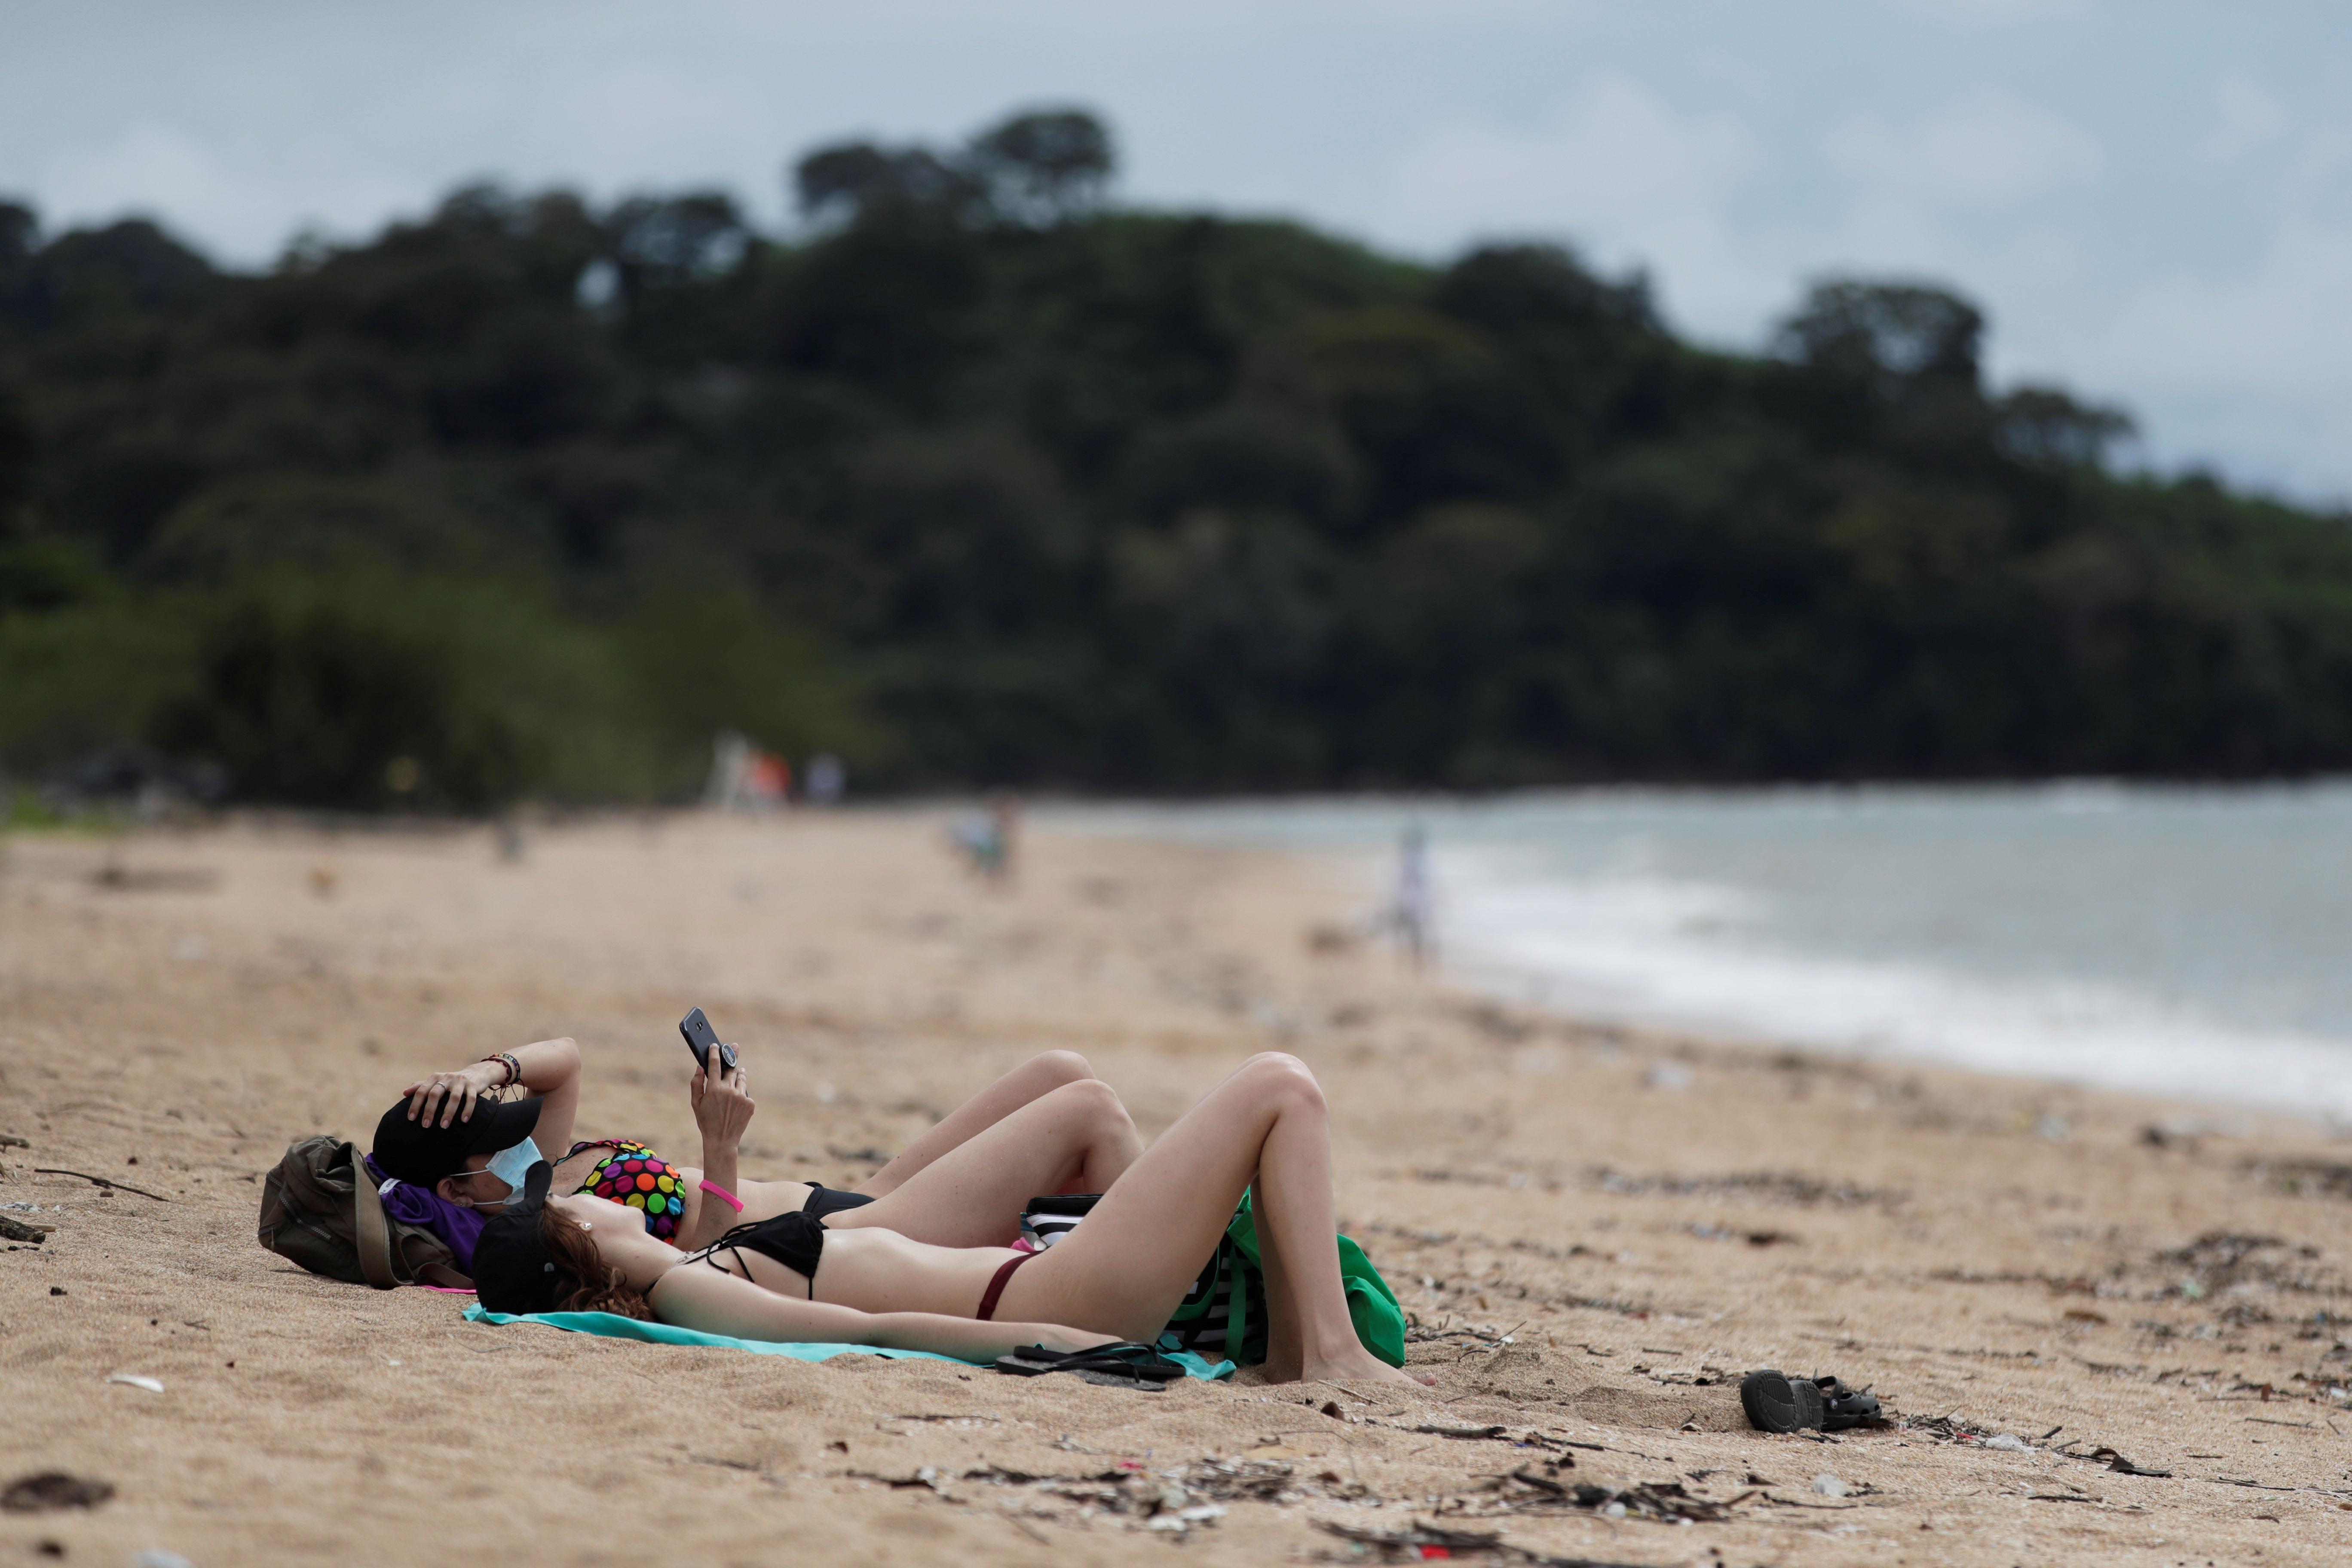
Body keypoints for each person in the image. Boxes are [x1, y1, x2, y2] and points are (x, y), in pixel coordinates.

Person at [473, 1052, 1429, 1389]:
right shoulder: (686, 1285)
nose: (586, 1192)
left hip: (1044, 1276)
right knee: (1282, 1089)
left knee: (1263, 1099)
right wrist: (1052, 1343)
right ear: (580, 1239)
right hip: (1053, 1293)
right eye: (565, 1203)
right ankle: (1332, 1359)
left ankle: (1304, 1348)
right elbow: (868, 1331)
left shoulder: (699, 1273)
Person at [366, 1041, 1142, 1275]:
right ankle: (1157, 1286)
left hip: (842, 1197)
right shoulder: (535, 1224)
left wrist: (482, 1072)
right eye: (492, 1142)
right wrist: (718, 1146)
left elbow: (564, 1060)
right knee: (1090, 1114)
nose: (515, 1142)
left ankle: (1135, 1258)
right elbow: (703, 1260)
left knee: (1063, 1071)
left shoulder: (540, 1165)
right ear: (457, 1186)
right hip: (852, 1236)